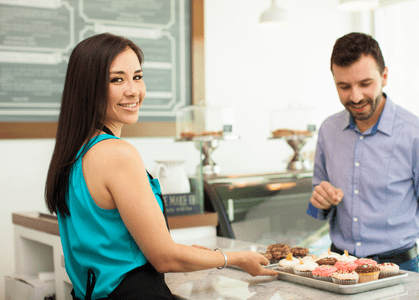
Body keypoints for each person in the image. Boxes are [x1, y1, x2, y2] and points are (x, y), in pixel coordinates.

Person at [45, 33, 277, 300]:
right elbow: (164, 258)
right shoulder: (117, 154)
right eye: (117, 79)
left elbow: (116, 247)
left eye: (138, 76)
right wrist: (235, 258)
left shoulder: (74, 153)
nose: (133, 90)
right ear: (88, 87)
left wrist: (199, 255)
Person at [307, 32, 419, 272]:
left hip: (398, 266)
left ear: (384, 76)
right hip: (340, 265)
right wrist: (321, 203)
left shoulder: (418, 135)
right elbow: (317, 207)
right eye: (344, 86)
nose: (355, 96)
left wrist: (396, 237)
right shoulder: (328, 130)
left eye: (365, 84)